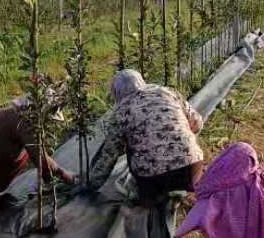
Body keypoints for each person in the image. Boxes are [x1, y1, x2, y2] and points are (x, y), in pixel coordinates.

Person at [86, 70, 205, 200]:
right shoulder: (168, 92)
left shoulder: (119, 113)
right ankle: (183, 185)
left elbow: (109, 156)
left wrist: (91, 186)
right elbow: (197, 123)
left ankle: (150, 194)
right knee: (186, 134)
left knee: (131, 146)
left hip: (153, 180)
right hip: (192, 170)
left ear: (117, 93)